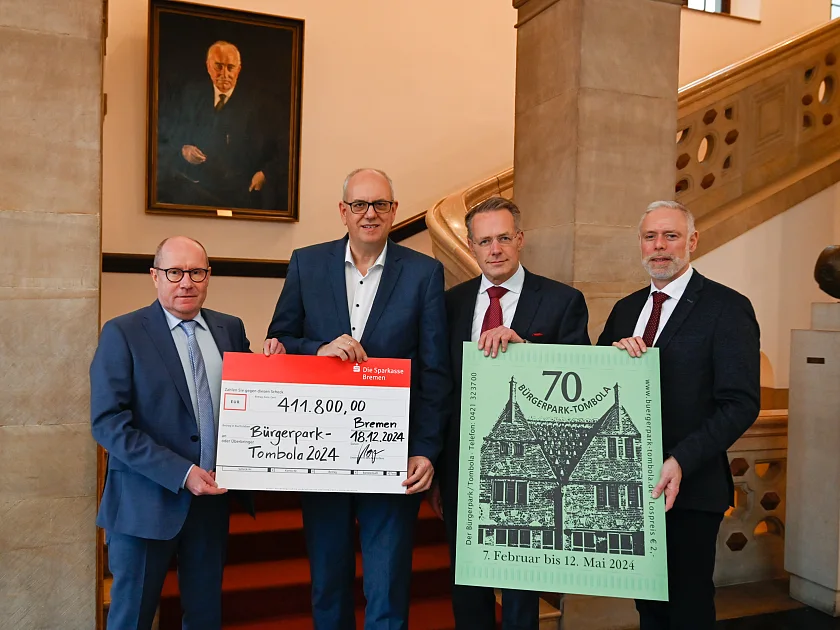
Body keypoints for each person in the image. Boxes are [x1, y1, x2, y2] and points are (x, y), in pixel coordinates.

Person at [265, 168, 451, 629]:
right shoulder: (306, 263)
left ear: (394, 211)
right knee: (328, 581)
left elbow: (434, 370)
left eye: (381, 205)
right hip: (321, 451)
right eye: (360, 205)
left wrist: (426, 448)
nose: (371, 214)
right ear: (343, 211)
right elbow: (280, 339)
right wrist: (318, 349)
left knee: (387, 585)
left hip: (392, 452)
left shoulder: (424, 273)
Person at [90, 236, 285, 630]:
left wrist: (272, 369)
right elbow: (109, 422)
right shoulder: (122, 332)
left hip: (211, 503)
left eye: (197, 272)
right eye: (174, 272)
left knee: (204, 615)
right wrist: (182, 472)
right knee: (132, 617)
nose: (186, 282)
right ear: (155, 276)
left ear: (208, 276)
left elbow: (247, 398)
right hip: (145, 502)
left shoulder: (229, 328)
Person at [427, 196, 590, 630]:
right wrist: (441, 470)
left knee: (521, 588)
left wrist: (529, 355)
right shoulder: (450, 304)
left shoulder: (562, 301)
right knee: (468, 585)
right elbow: (439, 389)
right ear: (471, 245)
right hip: (463, 467)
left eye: (503, 238)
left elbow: (580, 382)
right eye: (484, 241)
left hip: (533, 471)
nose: (494, 249)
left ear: (519, 240)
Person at [598, 201, 760, 630]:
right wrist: (611, 361)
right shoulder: (624, 309)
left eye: (670, 236)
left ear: (692, 241)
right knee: (648, 608)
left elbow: (740, 403)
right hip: (630, 488)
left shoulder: (727, 307)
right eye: (651, 237)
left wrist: (681, 459)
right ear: (640, 244)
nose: (660, 246)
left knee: (687, 608)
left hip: (691, 487)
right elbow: (596, 390)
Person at [157, 41, 286, 210]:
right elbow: (168, 137)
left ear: (238, 70)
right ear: (208, 66)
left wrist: (265, 174)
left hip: (242, 193)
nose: (224, 74)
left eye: (230, 67)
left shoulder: (259, 103)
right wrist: (184, 150)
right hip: (196, 189)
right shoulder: (191, 95)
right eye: (218, 66)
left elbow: (285, 150)